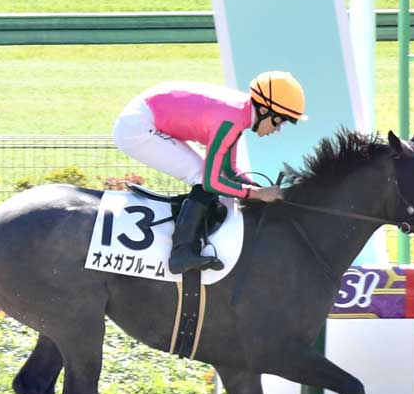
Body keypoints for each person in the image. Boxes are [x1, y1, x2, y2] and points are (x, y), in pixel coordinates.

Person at [113, 70, 307, 273]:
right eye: (281, 121)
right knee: (200, 176)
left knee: (205, 175)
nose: (278, 129)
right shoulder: (230, 121)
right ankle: (181, 253)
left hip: (148, 115)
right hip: (137, 128)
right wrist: (257, 194)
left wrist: (259, 191)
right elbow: (211, 182)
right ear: (266, 111)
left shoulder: (239, 114)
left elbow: (229, 170)